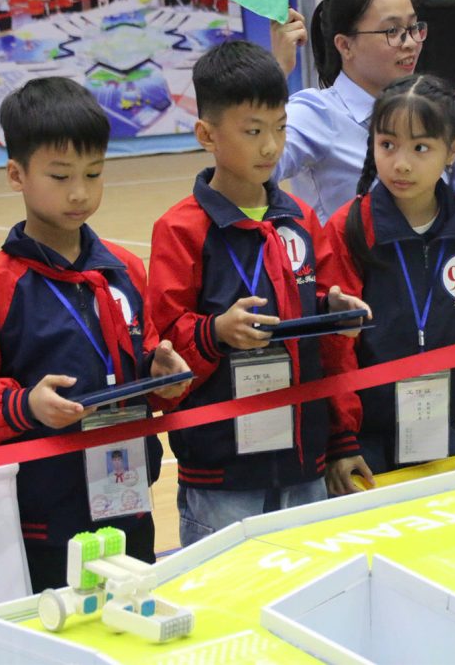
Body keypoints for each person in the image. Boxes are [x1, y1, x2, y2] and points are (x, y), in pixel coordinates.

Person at [0, 77, 190, 592]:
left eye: (93, 173)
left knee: (133, 615)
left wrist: (162, 374)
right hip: (45, 520)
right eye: (60, 176)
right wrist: (26, 405)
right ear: (16, 174)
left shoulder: (123, 269)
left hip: (130, 501)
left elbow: (139, 356)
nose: (80, 192)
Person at [148, 41, 368, 546]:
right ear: (207, 135)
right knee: (227, 586)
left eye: (280, 128)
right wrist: (215, 332)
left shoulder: (301, 219)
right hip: (222, 475)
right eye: (253, 131)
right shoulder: (180, 230)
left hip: (304, 463)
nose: (271, 146)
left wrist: (333, 311)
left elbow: (332, 351)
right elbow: (162, 347)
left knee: (309, 581)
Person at [319, 74, 455, 494]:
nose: (401, 163)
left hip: (439, 426)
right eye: (387, 144)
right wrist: (341, 437)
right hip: (364, 440)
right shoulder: (349, 228)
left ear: (453, 150)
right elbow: (336, 347)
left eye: (421, 147)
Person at [270, 0, 429, 224]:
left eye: (413, 27)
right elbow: (252, 171)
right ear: (345, 45)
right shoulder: (316, 113)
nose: (410, 43)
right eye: (392, 31)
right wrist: (276, 71)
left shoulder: (423, 108)